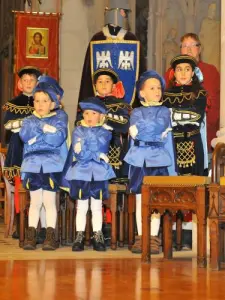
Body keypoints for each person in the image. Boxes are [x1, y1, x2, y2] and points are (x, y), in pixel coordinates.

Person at [124, 70, 177, 254]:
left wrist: (143, 129)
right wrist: (149, 130)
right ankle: (141, 236)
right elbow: (145, 128)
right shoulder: (136, 111)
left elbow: (158, 125)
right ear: (141, 93)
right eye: (152, 88)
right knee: (140, 198)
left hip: (157, 159)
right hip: (139, 160)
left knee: (155, 199)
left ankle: (153, 237)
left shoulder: (164, 111)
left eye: (159, 88)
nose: (157, 91)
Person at [163, 54, 207, 249]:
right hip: (172, 146)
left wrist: (174, 115)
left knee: (192, 189)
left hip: (192, 145)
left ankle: (191, 235)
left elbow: (196, 117)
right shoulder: (166, 94)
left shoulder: (200, 93)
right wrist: (180, 116)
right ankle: (171, 235)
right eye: (179, 69)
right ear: (174, 73)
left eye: (187, 69)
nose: (183, 73)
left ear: (193, 72)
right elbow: (164, 118)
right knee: (172, 188)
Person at [19, 80, 68, 251]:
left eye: (45, 101)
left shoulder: (58, 118)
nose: (40, 104)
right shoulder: (27, 120)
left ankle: (50, 236)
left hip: (51, 165)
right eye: (37, 100)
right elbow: (25, 137)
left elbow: (56, 140)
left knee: (49, 201)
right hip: (32, 165)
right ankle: (31, 235)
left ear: (53, 103)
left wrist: (39, 135)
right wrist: (45, 128)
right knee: (35, 202)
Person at [64, 97, 116, 252]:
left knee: (97, 206)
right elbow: (80, 154)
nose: (89, 117)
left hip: (99, 173)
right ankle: (79, 236)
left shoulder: (105, 132)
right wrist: (94, 152)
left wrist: (85, 145)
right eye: (86, 113)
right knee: (81, 206)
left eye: (94, 113)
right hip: (81, 173)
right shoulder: (78, 130)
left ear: (101, 115)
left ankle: (97, 236)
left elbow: (102, 145)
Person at [2, 66, 47, 240]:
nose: (28, 83)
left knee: (39, 186)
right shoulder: (13, 103)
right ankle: (21, 225)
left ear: (37, 83)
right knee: (21, 187)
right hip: (19, 149)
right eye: (25, 80)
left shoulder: (44, 102)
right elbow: (8, 125)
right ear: (20, 84)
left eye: (32, 80)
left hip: (40, 151)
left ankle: (40, 226)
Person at [78, 0, 146, 107]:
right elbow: (88, 78)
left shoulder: (132, 40)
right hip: (99, 106)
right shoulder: (97, 39)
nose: (125, 16)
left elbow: (140, 74)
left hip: (126, 108)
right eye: (123, 12)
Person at [164, 33, 220, 152]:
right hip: (176, 136)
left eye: (193, 45)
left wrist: (203, 127)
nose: (188, 49)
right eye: (184, 45)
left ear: (199, 49)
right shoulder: (171, 72)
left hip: (204, 133)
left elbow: (215, 106)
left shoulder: (211, 71)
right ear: (180, 50)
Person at [77, 68, 130, 178]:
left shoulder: (121, 104)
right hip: (90, 149)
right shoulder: (87, 103)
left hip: (114, 149)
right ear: (95, 85)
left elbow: (125, 125)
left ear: (114, 86)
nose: (103, 84)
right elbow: (78, 123)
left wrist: (104, 118)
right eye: (100, 81)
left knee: (113, 184)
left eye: (107, 81)